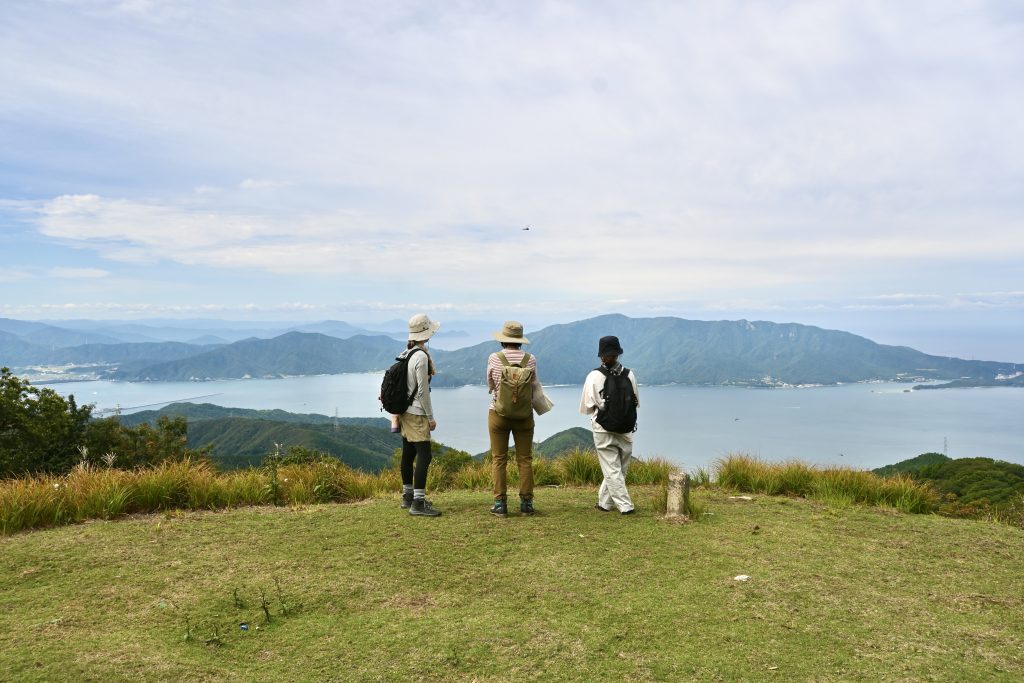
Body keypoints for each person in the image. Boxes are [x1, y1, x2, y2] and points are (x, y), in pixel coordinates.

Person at [486, 320, 543, 516]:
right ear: (520, 340)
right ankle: (526, 504)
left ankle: (500, 504)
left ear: (503, 340)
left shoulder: (494, 358)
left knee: (499, 459)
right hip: (524, 415)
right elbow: (534, 385)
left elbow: (491, 384)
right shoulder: (530, 359)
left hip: (498, 413)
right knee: (525, 459)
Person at [579, 335, 639, 515]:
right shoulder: (629, 374)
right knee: (619, 468)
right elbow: (635, 401)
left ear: (601, 355)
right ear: (618, 354)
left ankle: (625, 506)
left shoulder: (594, 376)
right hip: (626, 427)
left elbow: (587, 406)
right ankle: (605, 503)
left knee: (612, 469)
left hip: (603, 428)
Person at [398, 313, 442, 517]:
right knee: (425, 455)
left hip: (404, 411)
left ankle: (407, 497)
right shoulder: (421, 356)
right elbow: (423, 391)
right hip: (416, 413)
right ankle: (418, 502)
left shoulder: (406, 352)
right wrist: (430, 417)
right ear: (427, 334)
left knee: (408, 453)